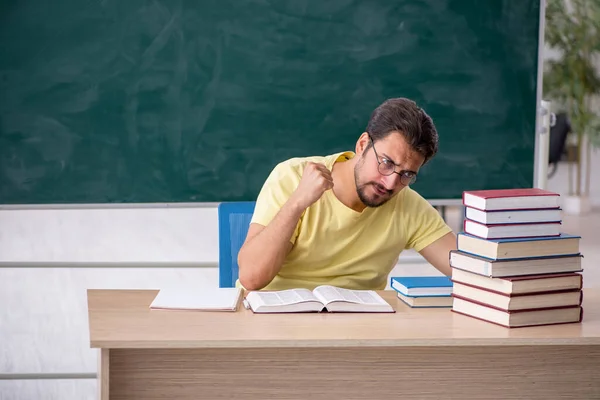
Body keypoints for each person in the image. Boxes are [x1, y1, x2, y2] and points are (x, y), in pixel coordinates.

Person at [237, 98, 457, 291]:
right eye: (386, 163)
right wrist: (297, 203)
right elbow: (251, 279)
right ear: (362, 145)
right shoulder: (293, 177)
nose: (391, 183)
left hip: (355, 331)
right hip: (272, 323)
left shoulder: (408, 205)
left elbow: (470, 273)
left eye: (407, 174)